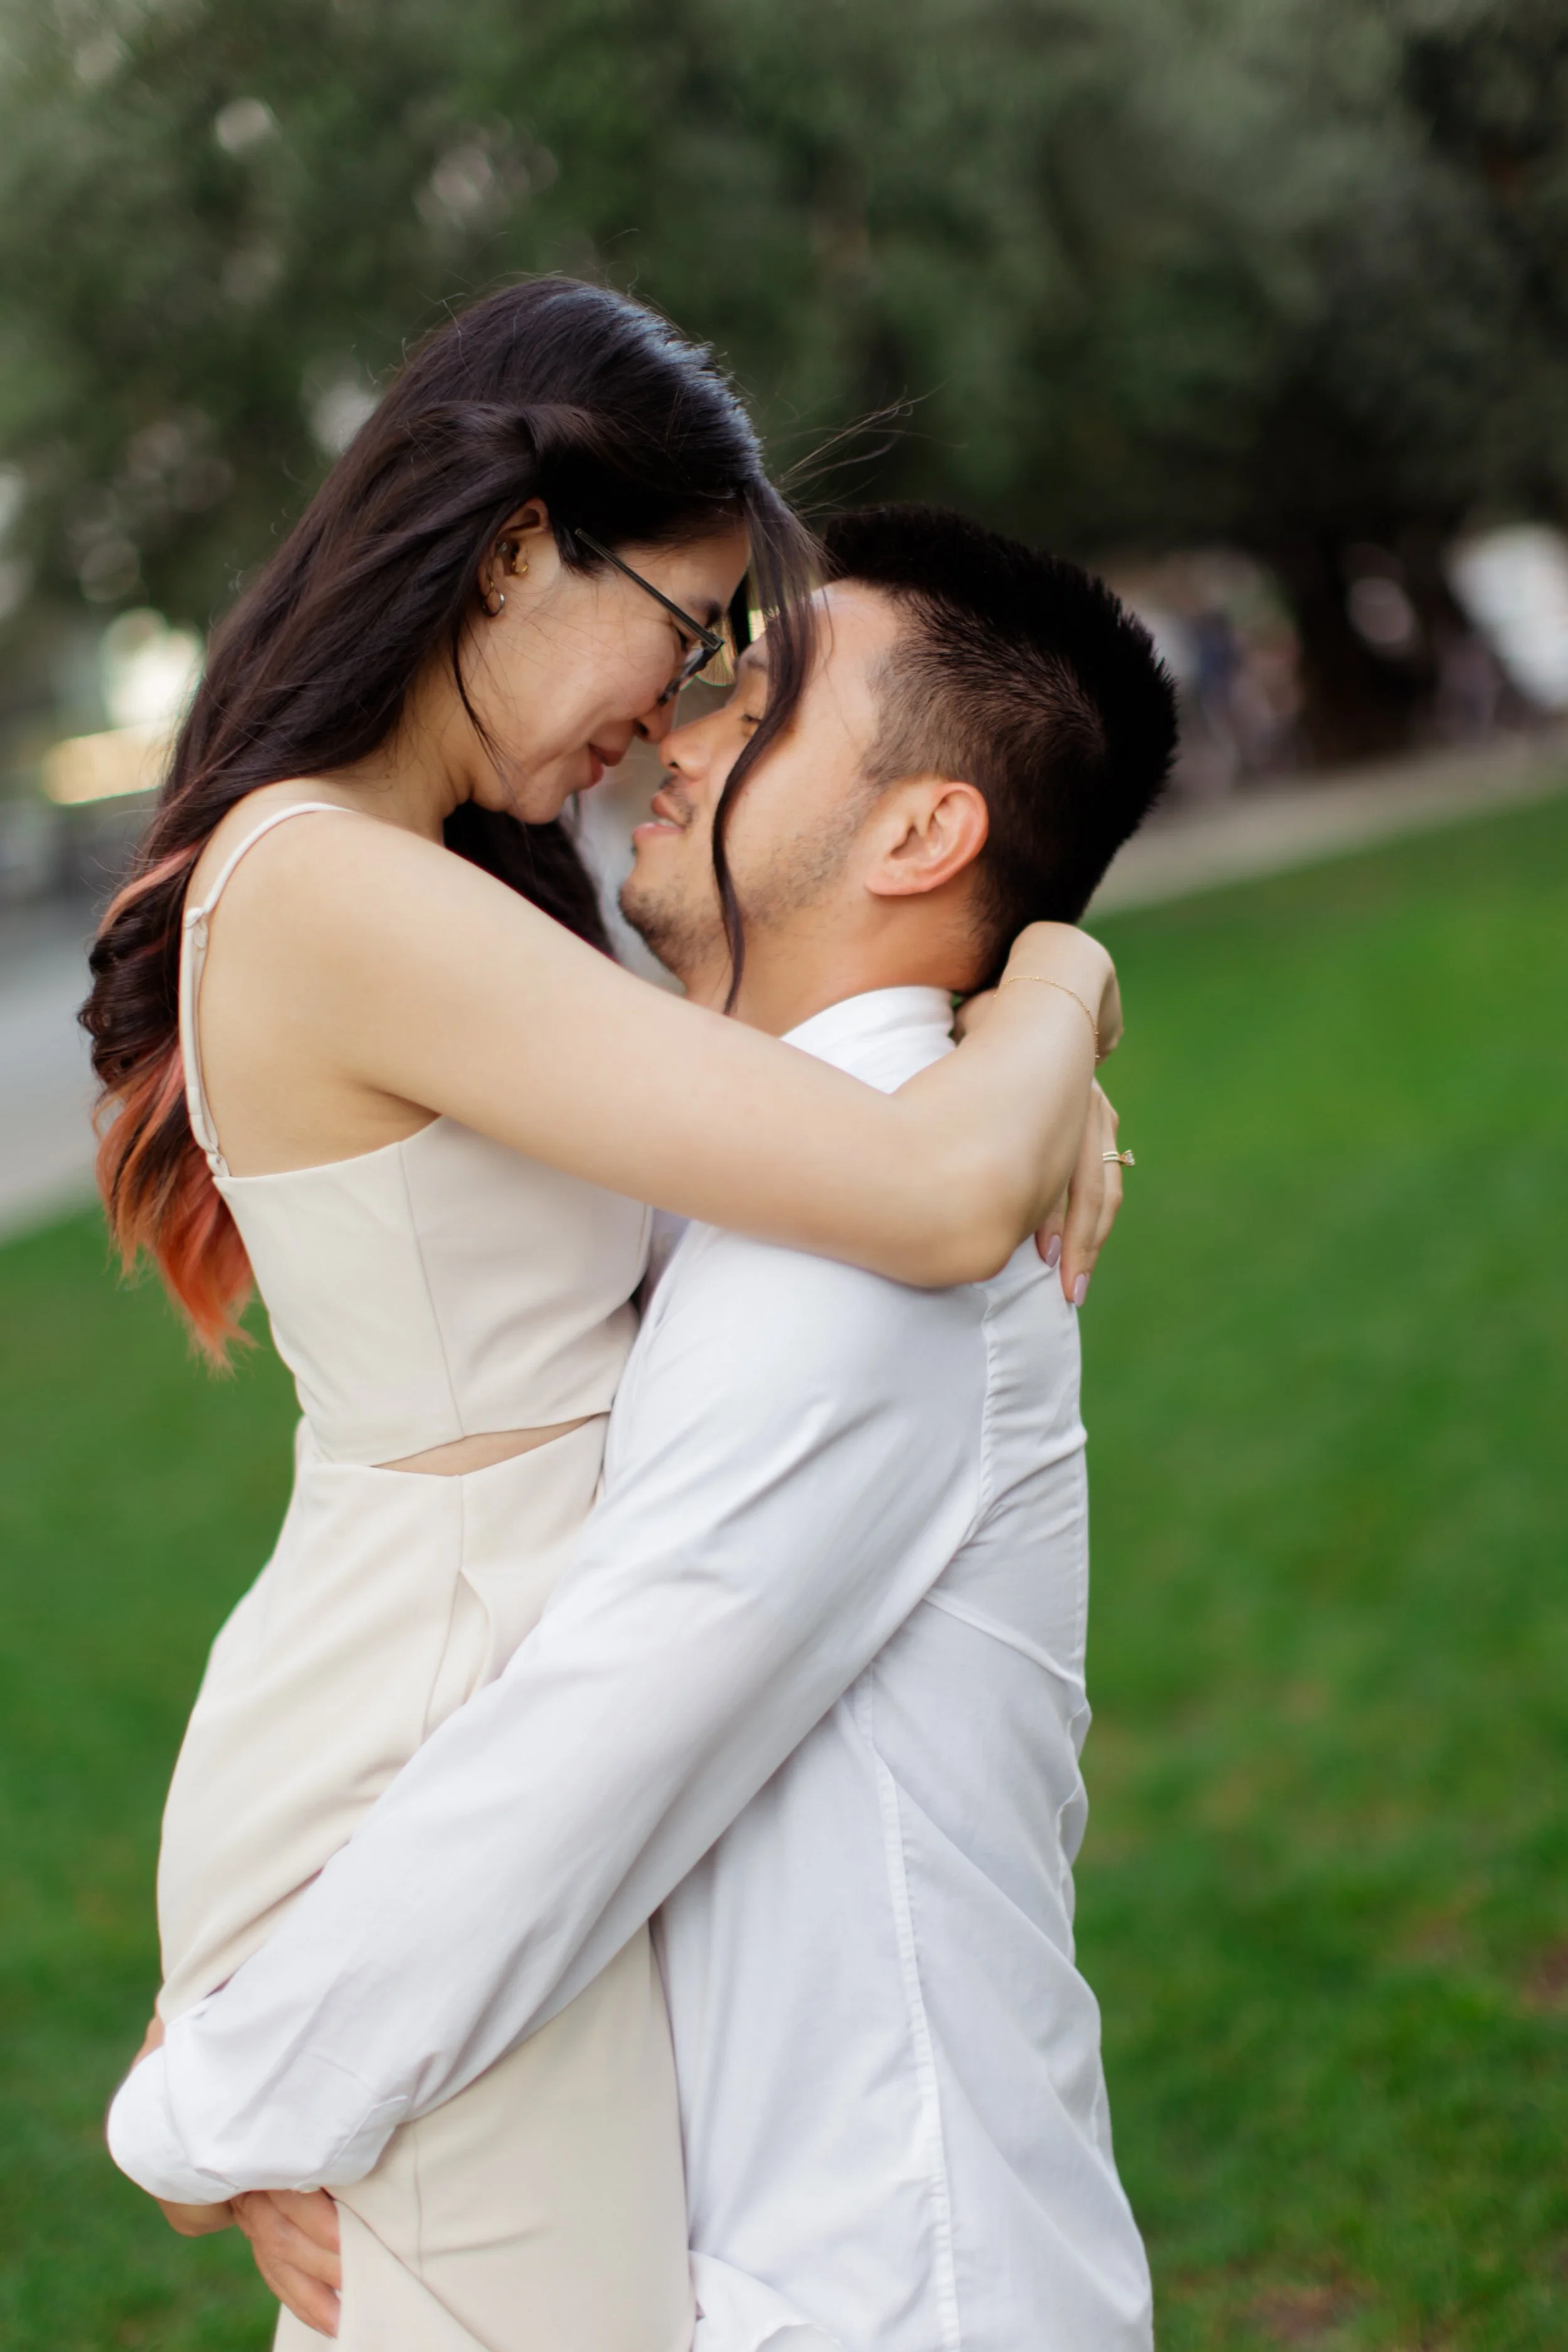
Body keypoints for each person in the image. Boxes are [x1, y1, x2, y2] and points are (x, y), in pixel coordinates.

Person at [85, 273, 1127, 2352]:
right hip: (439, 1714)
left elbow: (842, 1159)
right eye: (689, 629)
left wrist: (1016, 1008)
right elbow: (924, 1192)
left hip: (446, 1705)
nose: (668, 715)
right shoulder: (325, 883)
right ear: (514, 552)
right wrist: (1060, 991)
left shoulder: (424, 887)